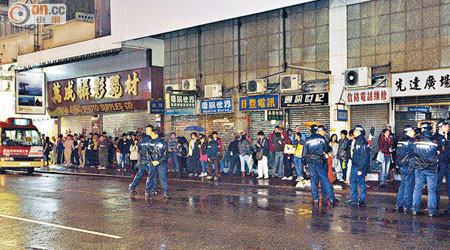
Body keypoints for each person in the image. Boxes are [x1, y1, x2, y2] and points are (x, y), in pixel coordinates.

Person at [411, 122, 441, 217]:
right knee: (431, 190)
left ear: (423, 129)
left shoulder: (416, 140)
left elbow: (413, 152)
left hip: (419, 168)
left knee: (417, 188)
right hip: (431, 169)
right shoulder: (435, 140)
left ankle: (415, 209)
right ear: (430, 129)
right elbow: (439, 152)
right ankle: (432, 212)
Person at [303, 125, 337, 204]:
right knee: (325, 180)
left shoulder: (307, 140)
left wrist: (305, 165)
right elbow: (327, 149)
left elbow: (304, 153)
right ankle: (331, 198)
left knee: (313, 181)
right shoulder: (322, 139)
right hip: (320, 161)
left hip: (310, 162)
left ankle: (315, 199)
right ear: (318, 131)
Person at [345, 125, 370, 206]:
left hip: (359, 166)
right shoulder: (356, 141)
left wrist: (360, 169)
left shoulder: (362, 142)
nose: (353, 132)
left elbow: (364, 157)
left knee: (361, 182)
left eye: (355, 131)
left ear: (359, 132)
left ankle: (362, 199)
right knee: (352, 182)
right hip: (354, 165)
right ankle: (353, 199)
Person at [129, 125, 156, 196]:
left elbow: (139, 148)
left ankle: (132, 187)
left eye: (148, 130)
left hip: (143, 159)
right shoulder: (152, 139)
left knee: (140, 174)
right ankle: (149, 190)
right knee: (151, 175)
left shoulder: (143, 139)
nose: (147, 131)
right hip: (149, 159)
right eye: (146, 130)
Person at [394, 125, 416, 212]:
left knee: (403, 184)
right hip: (409, 165)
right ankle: (407, 205)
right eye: (413, 131)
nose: (414, 133)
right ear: (409, 132)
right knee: (409, 185)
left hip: (402, 165)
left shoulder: (400, 140)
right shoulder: (410, 141)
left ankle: (399, 204)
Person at [147, 127, 170, 199]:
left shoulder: (163, 143)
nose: (151, 134)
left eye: (152, 133)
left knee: (161, 177)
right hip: (156, 162)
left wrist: (157, 161)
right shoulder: (150, 142)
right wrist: (152, 161)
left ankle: (165, 192)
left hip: (161, 163)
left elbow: (165, 154)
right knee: (151, 177)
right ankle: (148, 190)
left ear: (155, 134)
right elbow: (148, 153)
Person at [435, 120, 450, 213]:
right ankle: (435, 206)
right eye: (446, 126)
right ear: (440, 127)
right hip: (439, 165)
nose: (448, 127)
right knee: (436, 186)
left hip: (448, 165)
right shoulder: (435, 138)